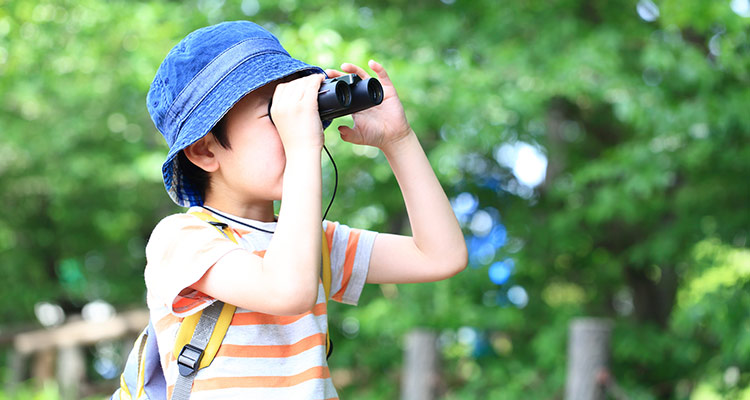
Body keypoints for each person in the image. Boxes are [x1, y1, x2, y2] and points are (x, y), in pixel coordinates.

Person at [144, 20, 467, 399]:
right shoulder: (181, 241)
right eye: (275, 116)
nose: (303, 128)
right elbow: (286, 290)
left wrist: (399, 140)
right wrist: (300, 148)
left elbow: (440, 256)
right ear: (204, 150)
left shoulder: (313, 245)